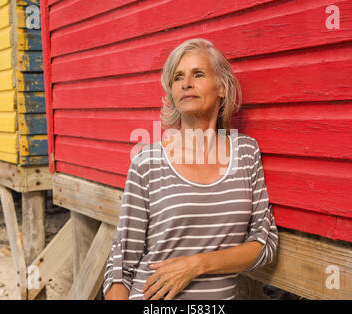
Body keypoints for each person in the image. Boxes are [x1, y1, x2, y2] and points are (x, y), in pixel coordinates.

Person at [104, 38, 278, 300]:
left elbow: (264, 244)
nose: (186, 83)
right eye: (178, 77)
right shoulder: (147, 162)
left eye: (198, 74)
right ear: (172, 93)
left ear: (222, 87)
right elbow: (122, 265)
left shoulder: (246, 152)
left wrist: (196, 265)